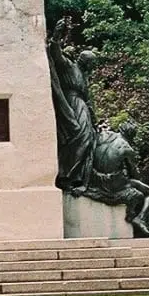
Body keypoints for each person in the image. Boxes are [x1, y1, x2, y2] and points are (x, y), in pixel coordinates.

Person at [84, 121, 149, 238]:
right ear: (132, 135)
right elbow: (134, 174)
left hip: (94, 179)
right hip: (112, 184)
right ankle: (140, 219)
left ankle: (143, 221)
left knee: (137, 188)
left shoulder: (103, 136)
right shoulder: (127, 149)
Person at [48, 19, 97, 190]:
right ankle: (66, 174)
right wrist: (56, 36)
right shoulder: (70, 67)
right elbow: (56, 54)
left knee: (88, 138)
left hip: (82, 106)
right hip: (71, 103)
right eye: (90, 63)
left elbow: (89, 100)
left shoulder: (84, 77)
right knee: (78, 136)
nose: (92, 67)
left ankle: (78, 176)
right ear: (84, 61)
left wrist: (94, 117)